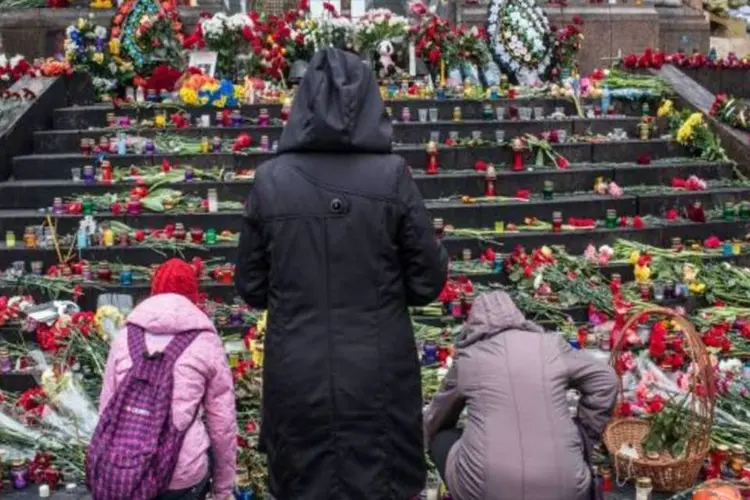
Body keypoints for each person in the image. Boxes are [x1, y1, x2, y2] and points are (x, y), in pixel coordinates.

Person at [235, 47, 448, 499]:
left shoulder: (270, 181)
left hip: (299, 370)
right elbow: (428, 280)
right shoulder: (392, 177)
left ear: (303, 104)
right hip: (378, 372)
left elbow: (251, 288)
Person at [423, 291, 618, 500]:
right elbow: (606, 380)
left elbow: (436, 417)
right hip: (567, 485)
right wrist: (583, 433)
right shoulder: (550, 345)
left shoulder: (471, 358)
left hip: (485, 490)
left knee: (442, 438)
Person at [96, 258, 237, 500]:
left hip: (127, 470)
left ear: (153, 292)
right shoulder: (206, 342)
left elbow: (106, 410)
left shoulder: (125, 336)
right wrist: (223, 489)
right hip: (183, 475)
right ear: (193, 297)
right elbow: (222, 424)